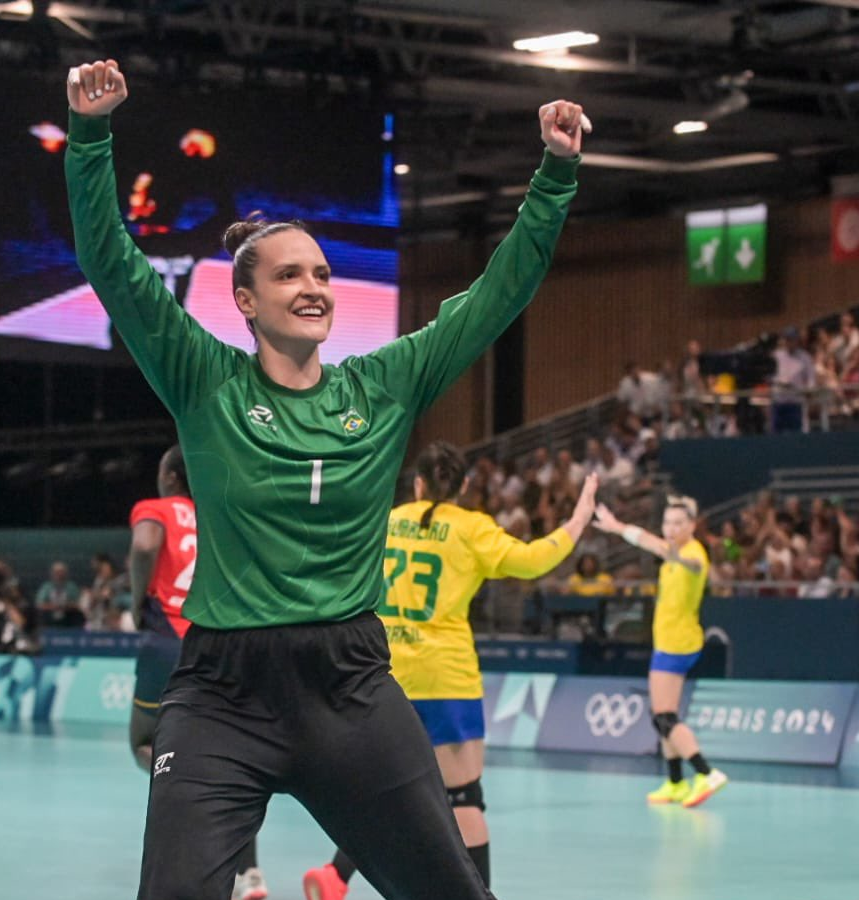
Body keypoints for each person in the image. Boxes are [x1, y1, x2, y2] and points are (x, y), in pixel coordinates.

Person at [65, 58, 584, 900]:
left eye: (320, 275)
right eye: (288, 276)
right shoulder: (207, 381)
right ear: (244, 300)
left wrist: (554, 176)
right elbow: (111, 264)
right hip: (223, 690)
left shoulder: (385, 384)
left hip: (348, 684)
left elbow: (497, 294)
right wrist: (90, 138)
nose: (312, 288)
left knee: (451, 889)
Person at [303, 444, 598, 899]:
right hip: (446, 679)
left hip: (384, 675)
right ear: (462, 486)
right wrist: (577, 520)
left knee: (391, 791)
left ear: (418, 483)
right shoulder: (470, 528)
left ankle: (336, 875)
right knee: (464, 797)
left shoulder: (388, 521)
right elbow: (534, 560)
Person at [128, 445, 266, 900]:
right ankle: (250, 873)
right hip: (219, 640)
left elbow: (146, 544)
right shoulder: (216, 511)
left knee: (147, 745)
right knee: (229, 752)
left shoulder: (156, 508)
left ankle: (189, 839)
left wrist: (135, 602)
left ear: (169, 478)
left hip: (167, 638)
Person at [593, 495, 728, 807]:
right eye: (667, 522)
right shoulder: (670, 551)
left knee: (664, 718)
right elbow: (645, 539)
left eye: (679, 523)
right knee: (664, 716)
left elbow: (694, 566)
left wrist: (675, 555)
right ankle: (676, 782)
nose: (671, 528)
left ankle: (706, 773)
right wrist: (615, 526)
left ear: (691, 526)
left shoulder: (693, 553)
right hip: (671, 642)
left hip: (675, 645)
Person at [35, 561, 83, 626]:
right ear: (52, 573)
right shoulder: (46, 587)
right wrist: (54, 606)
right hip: (49, 619)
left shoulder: (71, 587)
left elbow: (79, 604)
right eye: (56, 572)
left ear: (65, 573)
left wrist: (65, 606)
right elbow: (39, 604)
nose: (59, 574)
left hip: (68, 618)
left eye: (61, 572)